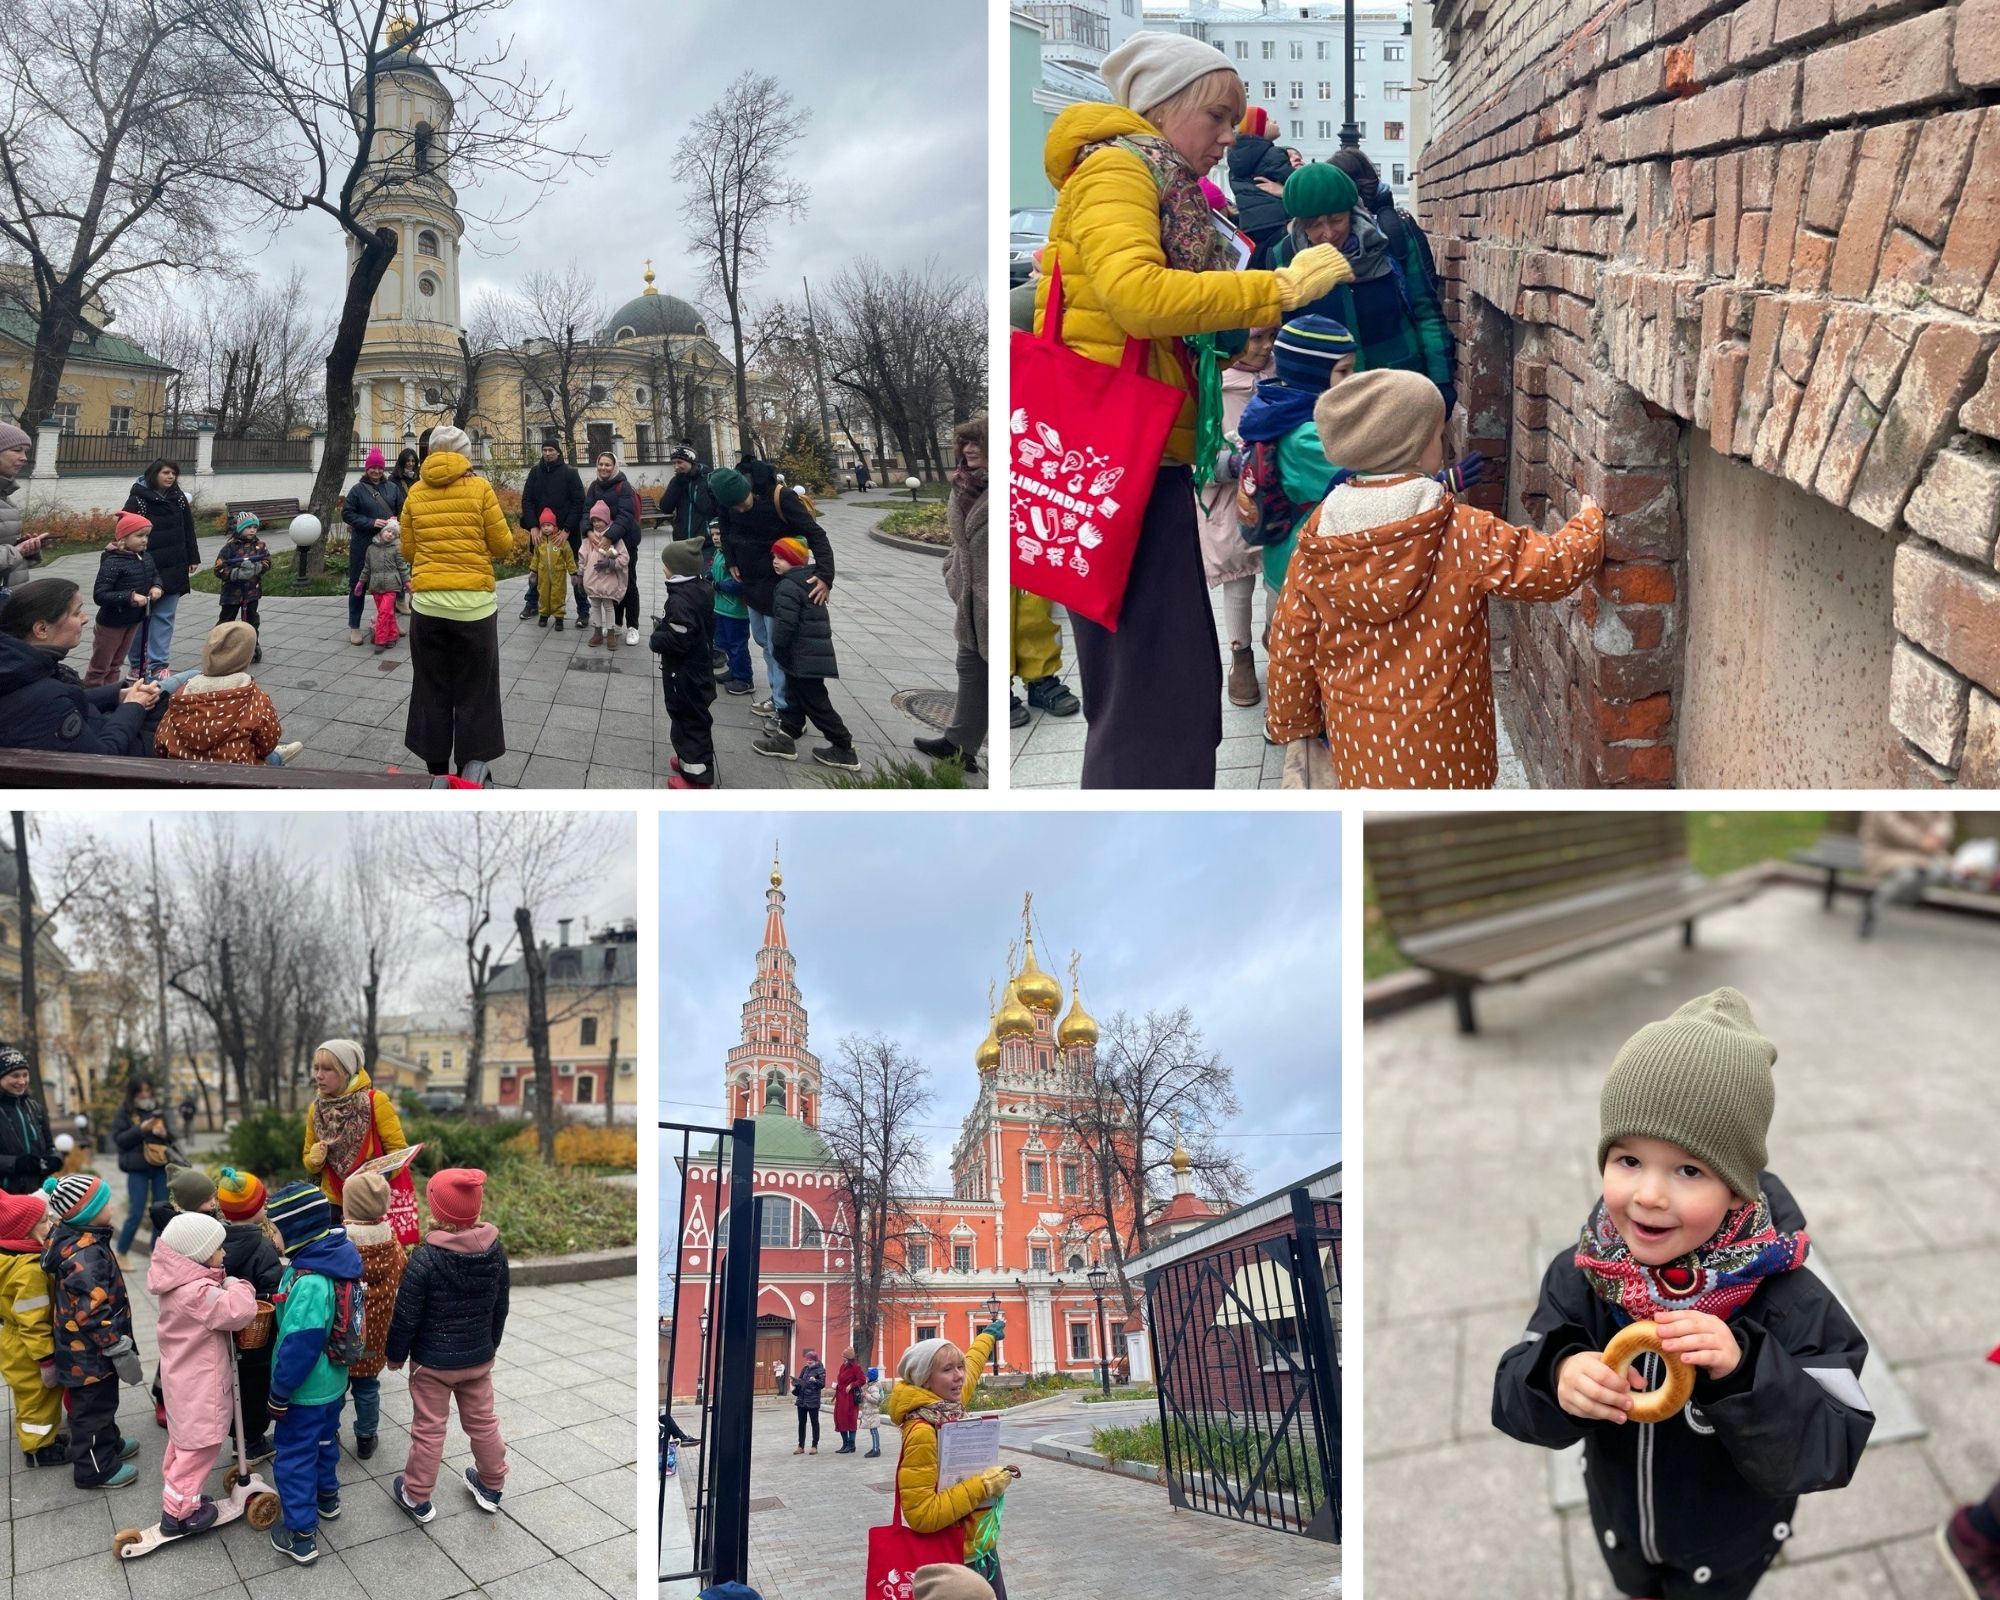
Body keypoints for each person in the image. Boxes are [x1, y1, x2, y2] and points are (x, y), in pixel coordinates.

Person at [1036, 33, 1350, 787]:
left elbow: (1134, 317)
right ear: (1163, 106)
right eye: (1216, 116)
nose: (1227, 138)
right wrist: (1280, 288)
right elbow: (1137, 297)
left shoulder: (1148, 175)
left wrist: (1215, 349)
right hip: (1120, 465)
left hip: (1134, 454)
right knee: (1157, 695)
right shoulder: (1117, 166)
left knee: (1159, 685)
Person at [1493, 989, 1873, 1600]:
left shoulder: (1789, 1299)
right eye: (1628, 1159)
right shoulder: (1585, 1273)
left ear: (1737, 1187)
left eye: (1689, 1170)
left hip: (1724, 1552)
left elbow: (1835, 1442)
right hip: (1622, 1526)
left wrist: (1744, 1370)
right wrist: (1557, 1375)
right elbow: (1511, 1390)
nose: (1648, 1194)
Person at [1264, 368, 1603, 787]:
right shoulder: (1461, 530)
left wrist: (1293, 725)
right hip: (1452, 750)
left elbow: (1291, 642)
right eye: (1436, 434)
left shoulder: (1318, 538)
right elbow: (1549, 569)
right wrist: (1589, 523)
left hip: (1360, 746)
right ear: (1418, 445)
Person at [1267, 163, 1457, 416]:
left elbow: (1426, 311)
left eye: (1337, 219)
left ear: (1352, 211)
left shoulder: (1391, 239)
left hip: (1401, 387)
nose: (1328, 233)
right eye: (1314, 225)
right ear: (1300, 224)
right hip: (1329, 402)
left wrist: (1441, 383)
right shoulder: (1284, 258)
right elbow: (1287, 339)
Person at [387, 1167, 510, 1524]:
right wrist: (490, 1346)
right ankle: (491, 1484)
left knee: (429, 1429)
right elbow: (500, 1307)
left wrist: (396, 1355)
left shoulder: (425, 1259)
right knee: (484, 1423)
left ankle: (417, 1495)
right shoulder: (494, 1254)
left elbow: (406, 1314)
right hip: (477, 1358)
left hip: (433, 1365)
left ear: (436, 1212)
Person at [400, 424, 516, 781]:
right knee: (476, 691)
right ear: (465, 455)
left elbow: (407, 549)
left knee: (430, 688)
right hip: (474, 609)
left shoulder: (416, 492)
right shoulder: (480, 489)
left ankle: (436, 770)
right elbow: (503, 546)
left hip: (428, 608)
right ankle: (471, 771)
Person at [264, 1181, 362, 1566]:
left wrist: (280, 1392)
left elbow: (299, 1346)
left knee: (293, 1455)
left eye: (274, 1228)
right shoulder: (335, 1260)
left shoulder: (310, 1282)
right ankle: (328, 1498)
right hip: (335, 1382)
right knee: (325, 1442)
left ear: (295, 1231)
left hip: (304, 1390)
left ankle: (301, 1534)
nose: (270, 1235)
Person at [888, 1323, 1019, 1596]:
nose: (959, 1376)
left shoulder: (945, 1407)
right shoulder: (923, 1430)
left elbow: (970, 1369)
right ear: (925, 1379)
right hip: (954, 1558)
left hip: (979, 1546)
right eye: (948, 1370)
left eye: (958, 1367)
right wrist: (984, 1486)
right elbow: (921, 1515)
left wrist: (986, 1337)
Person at [148, 1210, 257, 1537]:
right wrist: (239, 1284)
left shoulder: (178, 1284)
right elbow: (239, 1311)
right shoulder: (195, 1293)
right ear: (196, 1254)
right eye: (218, 1249)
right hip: (200, 1386)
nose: (224, 1254)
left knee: (184, 1445)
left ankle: (180, 1496)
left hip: (183, 1380)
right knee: (201, 1448)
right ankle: (179, 1514)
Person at [712, 465, 837, 724]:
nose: (740, 510)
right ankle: (777, 695)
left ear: (748, 490)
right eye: (733, 507)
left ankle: (786, 708)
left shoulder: (780, 497)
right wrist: (731, 560)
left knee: (778, 646)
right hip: (751, 583)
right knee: (763, 642)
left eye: (742, 504)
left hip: (779, 586)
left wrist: (825, 575)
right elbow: (726, 529)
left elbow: (815, 533)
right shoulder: (728, 504)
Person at [41, 1170, 143, 1487]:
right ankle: (95, 1469)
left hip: (87, 1350)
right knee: (93, 1410)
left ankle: (108, 1444)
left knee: (103, 1401)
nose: (111, 1207)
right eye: (105, 1203)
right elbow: (92, 1311)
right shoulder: (85, 1255)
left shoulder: (85, 1242)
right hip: (89, 1353)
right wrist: (116, 1345)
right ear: (88, 1213)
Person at [1328, 144, 1455, 388]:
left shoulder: (1395, 228)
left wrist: (1441, 381)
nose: (1328, 231)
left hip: (1399, 377)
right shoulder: (1292, 249)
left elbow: (1426, 305)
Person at [0, 579, 165, 753]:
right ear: (41, 629)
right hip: (133, 761)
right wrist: (133, 706)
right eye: (76, 613)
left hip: (98, 729)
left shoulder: (20, 668)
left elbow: (57, 698)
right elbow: (101, 757)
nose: (85, 619)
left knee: (165, 692)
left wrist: (118, 695)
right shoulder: (39, 688)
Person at [1202, 325, 1276, 706]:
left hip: (1278, 492)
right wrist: (1229, 462)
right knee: (1238, 577)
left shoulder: (1280, 373)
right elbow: (1197, 449)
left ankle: (1274, 638)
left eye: (1271, 336)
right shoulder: (1209, 382)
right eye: (1255, 338)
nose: (1265, 347)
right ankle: (1240, 654)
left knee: (1278, 574)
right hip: (1231, 498)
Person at [916, 416, 987, 772]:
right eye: (966, 443)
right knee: (970, 668)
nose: (969, 449)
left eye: (977, 443)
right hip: (969, 597)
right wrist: (952, 573)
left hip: (993, 600)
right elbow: (960, 543)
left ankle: (964, 745)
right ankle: (959, 743)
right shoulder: (963, 484)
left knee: (990, 671)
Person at [754, 537, 860, 770]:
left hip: (802, 657)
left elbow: (785, 626)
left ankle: (843, 746)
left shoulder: (787, 587)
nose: (775, 562)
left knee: (816, 704)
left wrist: (779, 649)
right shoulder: (810, 581)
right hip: (809, 655)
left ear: (795, 560)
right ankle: (786, 737)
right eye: (774, 557)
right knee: (793, 697)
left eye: (781, 557)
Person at [153, 620, 304, 766]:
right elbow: (267, 742)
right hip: (236, 776)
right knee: (267, 758)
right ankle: (277, 757)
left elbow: (161, 742)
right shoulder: (255, 699)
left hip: (182, 774)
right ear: (246, 657)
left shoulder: (181, 695)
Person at [214, 1166, 281, 1463]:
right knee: (256, 1387)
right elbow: (273, 1289)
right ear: (256, 1210)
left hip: (224, 1333)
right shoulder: (263, 1246)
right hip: (257, 1334)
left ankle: (237, 1438)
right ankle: (253, 1442)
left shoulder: (215, 1242)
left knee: (232, 1385)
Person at [340, 1170, 404, 1462]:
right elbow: (403, 1273)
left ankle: (329, 1431)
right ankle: (366, 1436)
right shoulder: (393, 1245)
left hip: (341, 1335)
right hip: (376, 1335)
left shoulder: (340, 1246)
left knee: (336, 1389)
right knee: (367, 1387)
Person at [301, 1039, 408, 1205]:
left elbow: (398, 1152)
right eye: (316, 1068)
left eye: (327, 1069)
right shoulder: (316, 1109)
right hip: (331, 1203)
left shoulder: (375, 1101)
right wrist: (315, 1159)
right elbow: (309, 1162)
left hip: (369, 1201)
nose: (319, 1075)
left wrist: (378, 1177)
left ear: (346, 1071)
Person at [120, 459, 198, 678]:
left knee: (165, 616)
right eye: (166, 472)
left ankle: (159, 664)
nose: (171, 477)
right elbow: (124, 532)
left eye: (174, 473)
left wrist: (193, 557)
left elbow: (188, 529)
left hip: (174, 565)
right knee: (140, 616)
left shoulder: (178, 498)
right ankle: (137, 664)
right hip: (144, 567)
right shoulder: (138, 500)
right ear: (154, 474)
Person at [0, 1187, 61, 1467]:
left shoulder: (9, 1258)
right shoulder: (29, 1270)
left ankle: (44, 1437)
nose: (51, 1225)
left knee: (33, 1396)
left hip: (15, 1342)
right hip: (29, 1350)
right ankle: (38, 1448)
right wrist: (46, 1360)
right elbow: (33, 1322)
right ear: (24, 1232)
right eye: (44, 1222)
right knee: (36, 1398)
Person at [652, 538, 717, 789]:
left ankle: (697, 776)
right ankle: (688, 760)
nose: (663, 568)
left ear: (677, 569)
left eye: (666, 564)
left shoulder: (681, 600)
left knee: (689, 721)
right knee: (690, 719)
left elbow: (679, 641)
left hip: (686, 674)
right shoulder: (698, 588)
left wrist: (658, 637)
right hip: (697, 669)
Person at [87, 511, 161, 688]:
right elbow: (100, 595)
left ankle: (111, 693)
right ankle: (93, 694)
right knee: (101, 665)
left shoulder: (146, 557)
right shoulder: (113, 562)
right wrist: (130, 597)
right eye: (139, 535)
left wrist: (156, 587)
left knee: (116, 663)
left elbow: (155, 575)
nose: (144, 540)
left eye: (147, 536)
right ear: (123, 538)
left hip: (133, 619)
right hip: (112, 622)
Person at [343, 448, 408, 645]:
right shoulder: (357, 490)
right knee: (357, 585)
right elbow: (347, 514)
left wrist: (395, 523)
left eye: (379, 467)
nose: (377, 471)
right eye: (373, 467)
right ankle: (354, 626)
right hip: (363, 546)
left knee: (391, 585)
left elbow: (402, 510)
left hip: (388, 546)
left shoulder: (392, 488)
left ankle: (390, 622)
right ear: (367, 469)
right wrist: (371, 523)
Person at [518, 441, 585, 623]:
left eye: (551, 450)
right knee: (538, 568)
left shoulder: (570, 473)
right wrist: (533, 525)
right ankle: (532, 604)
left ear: (558, 452)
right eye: (545, 450)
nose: (547, 453)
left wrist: (567, 529)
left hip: (565, 533)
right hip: (541, 532)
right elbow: (527, 500)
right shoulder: (535, 472)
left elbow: (579, 502)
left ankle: (583, 610)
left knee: (574, 571)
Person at [1857, 812, 1953, 938]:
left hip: (1925, 852)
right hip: (1887, 849)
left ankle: (1882, 900)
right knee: (1908, 875)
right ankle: (1875, 904)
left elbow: (1945, 820)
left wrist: (1937, 836)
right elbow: (1887, 823)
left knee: (1940, 871)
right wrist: (1921, 840)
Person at [582, 451, 643, 646]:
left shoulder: (623, 486)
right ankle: (615, 624)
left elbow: (626, 514)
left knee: (628, 583)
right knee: (609, 583)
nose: (603, 468)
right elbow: (585, 512)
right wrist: (588, 532)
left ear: (614, 466)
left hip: (624, 542)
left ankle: (633, 626)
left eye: (608, 465)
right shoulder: (594, 487)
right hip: (600, 542)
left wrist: (609, 536)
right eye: (600, 464)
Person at [112, 1077, 175, 1257]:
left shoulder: (157, 1110)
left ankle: (156, 1253)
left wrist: (164, 1134)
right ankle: (121, 1253)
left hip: (159, 1164)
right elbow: (119, 1140)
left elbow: (171, 1139)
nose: (145, 1095)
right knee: (136, 1212)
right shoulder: (125, 1111)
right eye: (141, 1092)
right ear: (133, 1094)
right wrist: (141, 1129)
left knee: (161, 1210)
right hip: (137, 1167)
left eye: (147, 1090)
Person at [1226, 107, 1296, 264]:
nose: (1274, 122)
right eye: (1267, 120)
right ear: (1256, 128)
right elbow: (1296, 182)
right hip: (1277, 220)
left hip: (1251, 225)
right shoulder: (1273, 153)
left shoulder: (1235, 161)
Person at [0, 1045, 59, 1197]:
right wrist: (16, 1164)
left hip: (38, 1193)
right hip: (6, 1198)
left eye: (25, 1075)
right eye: (15, 1075)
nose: (22, 1081)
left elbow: (50, 1146)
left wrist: (55, 1159)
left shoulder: (34, 1108)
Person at [213, 511, 272, 660]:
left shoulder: (259, 546)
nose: (252, 530)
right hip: (232, 593)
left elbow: (268, 560)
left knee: (252, 620)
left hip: (252, 591)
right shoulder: (230, 547)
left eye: (254, 527)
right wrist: (235, 574)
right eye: (248, 527)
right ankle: (219, 645)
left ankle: (252, 644)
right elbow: (219, 568)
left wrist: (259, 567)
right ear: (240, 528)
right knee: (227, 620)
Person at [0, 421, 47, 597]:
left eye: (25, 451)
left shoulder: (5, 497)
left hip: (9, 604)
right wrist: (17, 551)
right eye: (16, 450)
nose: (24, 457)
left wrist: (27, 550)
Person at [580, 503, 630, 648]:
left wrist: (611, 564)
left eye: (600, 520)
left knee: (609, 607)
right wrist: (580, 573)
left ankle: (610, 633)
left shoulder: (614, 538)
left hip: (608, 580)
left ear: (607, 520)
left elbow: (624, 558)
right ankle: (597, 632)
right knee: (594, 606)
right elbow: (582, 556)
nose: (597, 524)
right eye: (594, 521)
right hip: (592, 579)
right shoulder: (589, 540)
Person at [710, 541, 753, 696]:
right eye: (713, 533)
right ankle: (734, 670)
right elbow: (715, 572)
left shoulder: (737, 556)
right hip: (721, 607)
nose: (715, 538)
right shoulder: (719, 553)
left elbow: (741, 584)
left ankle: (744, 679)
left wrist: (718, 585)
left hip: (736, 610)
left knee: (737, 645)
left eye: (719, 534)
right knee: (726, 643)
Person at [361, 518, 411, 650]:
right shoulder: (371, 549)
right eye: (389, 531)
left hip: (391, 585)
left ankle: (380, 640)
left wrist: (407, 582)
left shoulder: (396, 548)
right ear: (382, 531)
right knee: (387, 613)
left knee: (384, 612)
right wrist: (361, 582)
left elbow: (402, 567)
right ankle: (393, 635)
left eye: (394, 534)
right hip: (376, 585)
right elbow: (367, 568)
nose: (390, 535)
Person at [530, 507, 579, 632]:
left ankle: (559, 618)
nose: (546, 528)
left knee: (558, 595)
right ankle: (544, 615)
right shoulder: (539, 542)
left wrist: (573, 572)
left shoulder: (560, 541)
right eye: (544, 525)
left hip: (558, 574)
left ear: (554, 525)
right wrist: (533, 571)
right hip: (543, 574)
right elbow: (536, 557)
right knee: (543, 594)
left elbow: (569, 557)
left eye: (549, 525)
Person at [659, 446, 719, 546]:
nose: (676, 466)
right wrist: (676, 484)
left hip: (705, 541)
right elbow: (666, 507)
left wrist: (692, 486)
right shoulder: (677, 481)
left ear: (691, 462)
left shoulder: (707, 479)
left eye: (679, 462)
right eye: (673, 463)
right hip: (682, 541)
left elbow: (708, 508)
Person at [791, 1347, 826, 1454]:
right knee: (801, 1423)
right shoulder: (805, 1369)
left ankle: (814, 1445)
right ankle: (800, 1446)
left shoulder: (820, 1369)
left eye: (810, 1359)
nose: (808, 1361)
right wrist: (795, 1382)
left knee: (814, 1423)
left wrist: (815, 1380)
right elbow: (800, 1380)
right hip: (801, 1400)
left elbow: (822, 1384)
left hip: (813, 1400)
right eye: (807, 1359)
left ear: (815, 1360)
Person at [832, 1347, 866, 1453]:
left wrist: (852, 1385)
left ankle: (851, 1445)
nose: (843, 1359)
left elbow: (862, 1380)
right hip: (841, 1396)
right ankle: (845, 1444)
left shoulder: (855, 1367)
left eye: (844, 1357)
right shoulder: (843, 1366)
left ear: (849, 1358)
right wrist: (837, 1385)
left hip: (850, 1398)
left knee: (850, 1420)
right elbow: (841, 1379)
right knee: (840, 1419)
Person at [859, 1365, 885, 1458]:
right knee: (873, 1431)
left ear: (871, 1377)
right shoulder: (871, 1385)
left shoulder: (874, 1387)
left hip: (872, 1413)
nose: (866, 1378)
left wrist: (866, 1395)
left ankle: (876, 1449)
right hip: (871, 1412)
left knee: (874, 1431)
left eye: (867, 1376)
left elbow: (876, 1399)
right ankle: (875, 1447)